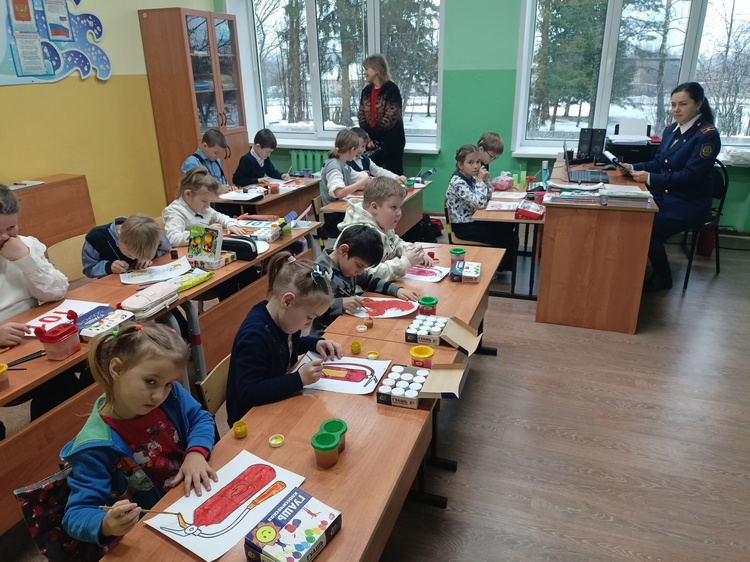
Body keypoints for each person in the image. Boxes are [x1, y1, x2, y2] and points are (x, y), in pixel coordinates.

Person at [61, 323, 217, 546]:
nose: (158, 395)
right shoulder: (93, 447)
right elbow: (76, 515)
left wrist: (195, 454)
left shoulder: (171, 396)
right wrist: (106, 524)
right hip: (151, 531)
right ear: (117, 369)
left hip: (190, 498)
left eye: (168, 384)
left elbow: (200, 419)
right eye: (150, 382)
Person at [0, 185, 86, 433]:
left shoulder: (25, 246)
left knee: (69, 379)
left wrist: (25, 260)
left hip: (30, 340)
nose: (4, 237)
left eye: (10, 228)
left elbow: (56, 291)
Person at [619, 82, 721, 292]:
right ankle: (628, 269)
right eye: (673, 104)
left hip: (689, 202)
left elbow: (691, 176)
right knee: (629, 213)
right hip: (665, 195)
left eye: (683, 104)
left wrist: (651, 178)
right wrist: (632, 167)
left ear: (698, 104)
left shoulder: (707, 135)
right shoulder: (670, 130)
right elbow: (659, 163)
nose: (676, 110)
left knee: (646, 225)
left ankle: (663, 276)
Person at [225, 252, 343, 426]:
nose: (309, 324)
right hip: (251, 421)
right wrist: (298, 379)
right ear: (287, 301)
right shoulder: (254, 335)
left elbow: (284, 345)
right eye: (309, 317)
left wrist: (315, 343)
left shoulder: (284, 320)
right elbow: (248, 392)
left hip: (275, 403)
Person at [311, 225, 418, 336]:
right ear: (343, 250)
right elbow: (311, 305)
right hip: (324, 334)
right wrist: (339, 303)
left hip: (348, 323)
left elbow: (370, 281)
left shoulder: (349, 267)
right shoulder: (319, 272)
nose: (360, 272)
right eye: (359, 266)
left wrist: (396, 290)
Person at [337, 176, 433, 281]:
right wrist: (404, 263)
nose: (399, 213)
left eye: (400, 207)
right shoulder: (361, 235)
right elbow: (365, 274)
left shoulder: (381, 222)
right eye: (393, 207)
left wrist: (413, 252)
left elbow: (394, 242)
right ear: (374, 207)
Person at [445, 144, 516, 270]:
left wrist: (486, 180)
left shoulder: (472, 177)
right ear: (461, 165)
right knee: (507, 238)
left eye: (478, 162)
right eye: (470, 162)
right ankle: (498, 269)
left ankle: (503, 266)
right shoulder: (457, 182)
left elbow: (487, 196)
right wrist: (479, 181)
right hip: (463, 227)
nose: (476, 166)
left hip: (474, 220)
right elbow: (480, 204)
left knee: (507, 226)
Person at [162, 167, 247, 247]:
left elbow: (220, 217)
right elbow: (173, 238)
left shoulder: (201, 207)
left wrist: (231, 225)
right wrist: (205, 232)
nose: (207, 206)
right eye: (204, 201)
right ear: (188, 194)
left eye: (210, 202)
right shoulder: (174, 211)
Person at [357, 54, 406, 175]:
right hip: (371, 144)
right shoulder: (366, 91)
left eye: (367, 69)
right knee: (372, 178)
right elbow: (361, 114)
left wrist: (370, 136)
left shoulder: (391, 89)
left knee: (394, 177)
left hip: (392, 143)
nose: (365, 73)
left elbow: (390, 118)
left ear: (376, 69)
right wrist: (367, 138)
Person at [82, 214, 171, 278]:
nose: (133, 258)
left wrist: (148, 256)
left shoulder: (148, 232)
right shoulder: (96, 237)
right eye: (128, 253)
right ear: (119, 235)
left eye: (138, 255)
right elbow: (88, 269)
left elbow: (166, 248)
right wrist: (108, 267)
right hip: (111, 285)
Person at [320, 129, 372, 237]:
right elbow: (338, 192)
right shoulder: (334, 166)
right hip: (334, 216)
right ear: (352, 149)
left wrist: (370, 179)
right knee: (367, 224)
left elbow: (359, 177)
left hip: (341, 212)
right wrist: (360, 183)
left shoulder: (344, 165)